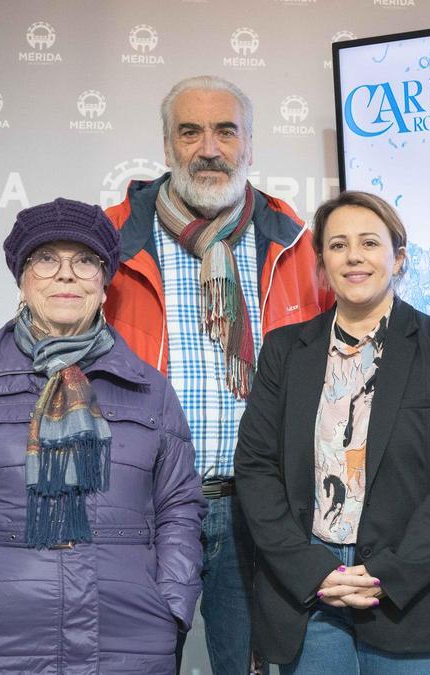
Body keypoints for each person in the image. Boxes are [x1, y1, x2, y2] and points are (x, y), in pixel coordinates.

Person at [0, 198, 206, 675]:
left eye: (84, 261)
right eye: (46, 259)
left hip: (129, 642)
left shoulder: (151, 390)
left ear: (104, 283)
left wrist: (170, 607)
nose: (66, 274)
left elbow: (180, 510)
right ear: (22, 279)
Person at [103, 75, 330, 672]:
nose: (208, 148)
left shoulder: (300, 245)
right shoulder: (107, 240)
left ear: (249, 144)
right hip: (143, 504)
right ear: (167, 144)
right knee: (131, 664)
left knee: (249, 666)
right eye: (190, 131)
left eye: (225, 131)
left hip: (257, 508)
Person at [235, 191, 430, 674]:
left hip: (408, 590)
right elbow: (255, 468)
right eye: (338, 245)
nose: (354, 256)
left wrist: (387, 574)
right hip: (307, 589)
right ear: (321, 265)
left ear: (398, 258)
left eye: (369, 243)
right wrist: (312, 571)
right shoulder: (284, 350)